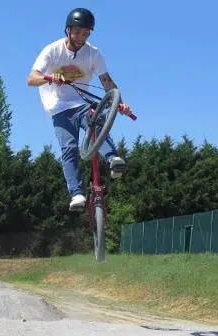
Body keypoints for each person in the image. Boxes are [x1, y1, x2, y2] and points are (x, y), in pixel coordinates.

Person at [27, 7, 133, 211]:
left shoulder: (93, 54)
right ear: (68, 30)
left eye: (85, 33)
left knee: (95, 123)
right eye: (77, 32)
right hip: (57, 106)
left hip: (80, 101)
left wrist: (119, 103)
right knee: (69, 148)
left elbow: (106, 81)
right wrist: (49, 77)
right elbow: (31, 79)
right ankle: (76, 194)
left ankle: (113, 159)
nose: (80, 37)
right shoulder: (52, 50)